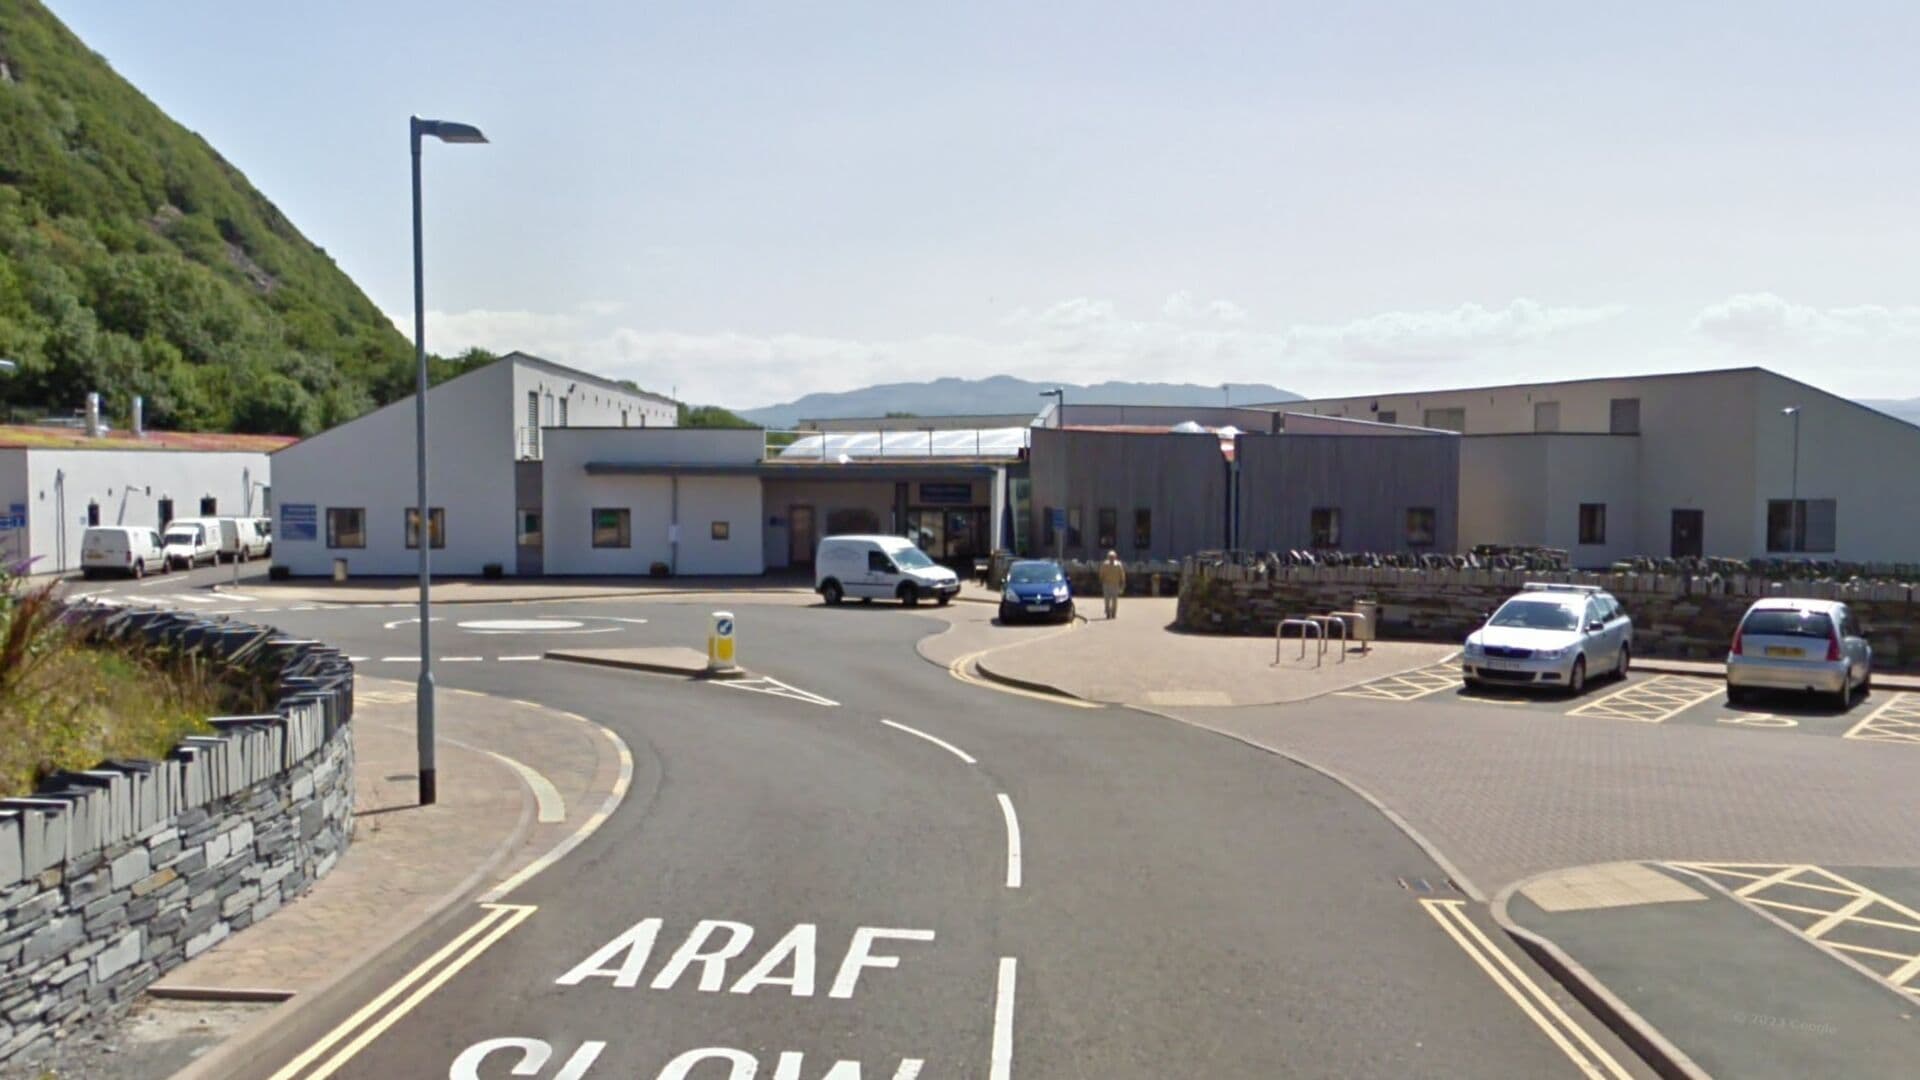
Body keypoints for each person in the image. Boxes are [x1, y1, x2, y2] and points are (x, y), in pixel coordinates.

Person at [1098, 550, 1126, 620]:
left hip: (1115, 584)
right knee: (1107, 600)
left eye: (1113, 557)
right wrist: (1101, 580)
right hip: (1106, 584)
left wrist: (1122, 582)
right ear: (1108, 557)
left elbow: (1122, 574)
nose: (1111, 558)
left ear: (1115, 557)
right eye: (1110, 557)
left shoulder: (1118, 565)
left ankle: (1113, 613)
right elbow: (1101, 573)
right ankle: (1108, 613)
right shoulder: (1105, 564)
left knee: (1115, 600)